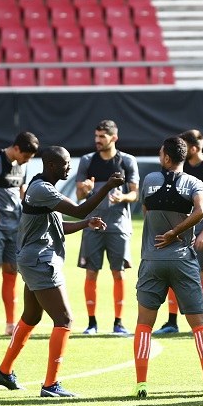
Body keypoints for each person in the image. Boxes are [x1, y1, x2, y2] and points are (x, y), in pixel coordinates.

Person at [0, 147, 123, 396]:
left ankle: (4, 371)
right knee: (64, 320)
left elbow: (57, 224)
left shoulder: (39, 186)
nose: (69, 167)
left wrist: (85, 224)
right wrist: (107, 187)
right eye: (65, 163)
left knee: (31, 316)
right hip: (40, 262)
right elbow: (79, 209)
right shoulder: (42, 189)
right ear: (52, 165)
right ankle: (50, 385)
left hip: (32, 260)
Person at [132, 136, 203, 398]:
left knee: (144, 325)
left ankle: (141, 384)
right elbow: (201, 211)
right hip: (182, 261)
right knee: (199, 324)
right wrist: (176, 232)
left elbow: (146, 210)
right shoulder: (195, 183)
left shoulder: (149, 180)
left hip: (152, 260)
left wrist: (164, 232)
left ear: (167, 158)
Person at [155, 129, 203, 335]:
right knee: (172, 272)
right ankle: (171, 322)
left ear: (193, 148)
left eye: (184, 146)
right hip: (178, 230)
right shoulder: (178, 168)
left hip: (202, 230)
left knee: (201, 274)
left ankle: (201, 320)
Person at [76, 120, 140, 335]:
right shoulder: (87, 161)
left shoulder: (127, 161)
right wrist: (86, 190)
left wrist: (123, 197)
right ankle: (91, 323)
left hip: (119, 226)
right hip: (92, 225)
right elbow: (79, 194)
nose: (97, 140)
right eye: (96, 136)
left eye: (102, 137)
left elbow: (135, 193)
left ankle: (118, 323)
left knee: (118, 273)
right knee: (91, 273)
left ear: (114, 138)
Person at [0, 132, 39, 336]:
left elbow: (21, 191)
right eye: (26, 156)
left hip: (15, 228)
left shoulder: (23, 165)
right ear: (16, 149)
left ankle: (10, 323)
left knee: (12, 273)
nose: (27, 161)